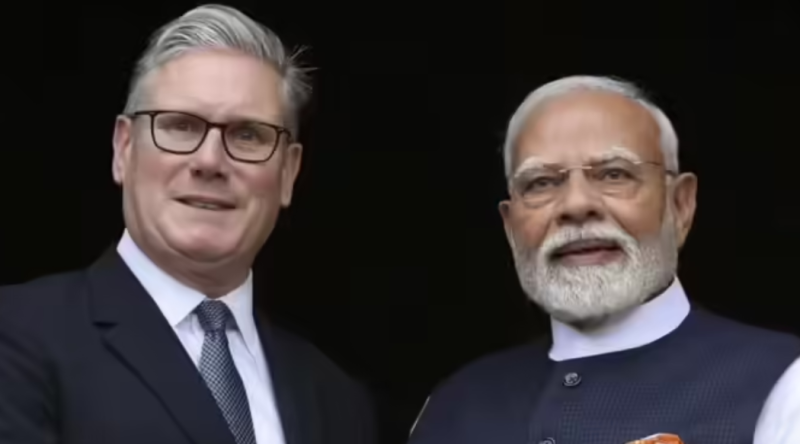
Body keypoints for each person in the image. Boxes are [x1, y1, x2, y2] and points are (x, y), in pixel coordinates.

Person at [0, 5, 376, 444]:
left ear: (289, 172)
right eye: (180, 126)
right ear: (124, 149)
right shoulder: (15, 337)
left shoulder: (336, 400)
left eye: (247, 135)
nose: (210, 161)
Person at [408, 75, 800, 443]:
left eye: (614, 174)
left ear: (680, 205)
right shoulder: (456, 406)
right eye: (541, 182)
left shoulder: (783, 381)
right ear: (511, 228)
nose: (577, 205)